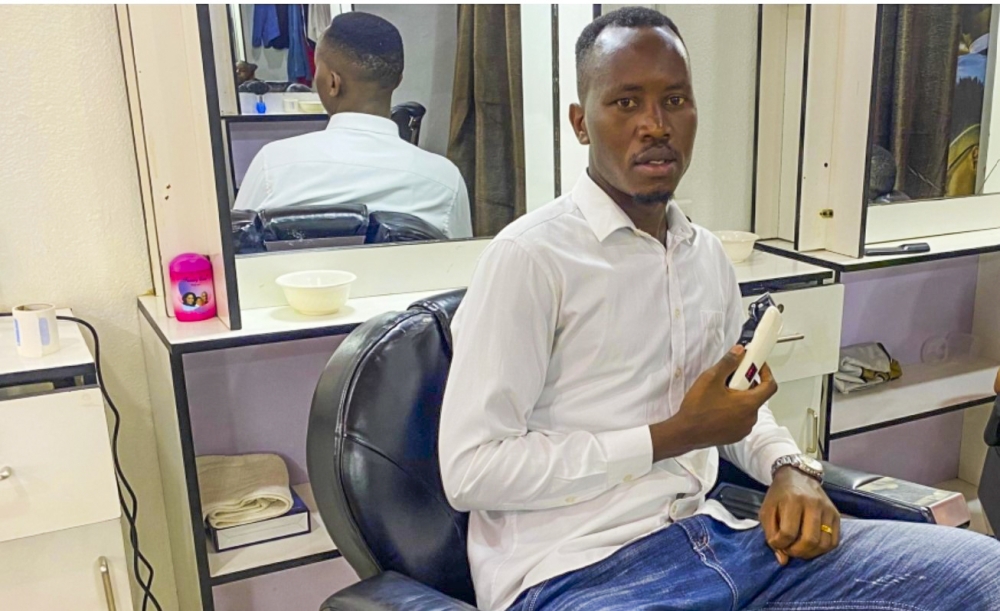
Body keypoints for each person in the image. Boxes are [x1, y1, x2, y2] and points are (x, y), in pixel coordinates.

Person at [438, 8, 1000, 611]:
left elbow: (735, 407)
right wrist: (673, 436)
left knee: (986, 576)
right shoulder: (530, 259)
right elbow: (472, 471)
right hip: (578, 574)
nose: (655, 124)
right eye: (626, 103)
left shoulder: (704, 255)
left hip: (721, 543)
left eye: (674, 99)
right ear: (581, 123)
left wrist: (788, 467)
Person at [234, 12, 472, 239]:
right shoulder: (444, 180)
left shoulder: (273, 165)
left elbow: (238, 248)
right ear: (398, 80)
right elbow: (460, 269)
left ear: (332, 82)